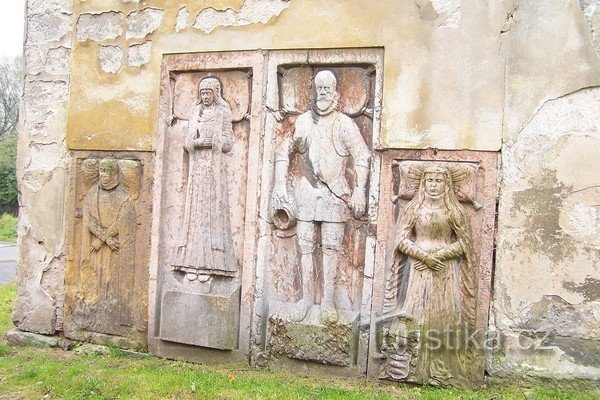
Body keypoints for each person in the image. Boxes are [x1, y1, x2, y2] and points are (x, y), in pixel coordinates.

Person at [271, 70, 371, 323]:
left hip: (335, 194)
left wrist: (359, 189)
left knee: (330, 247)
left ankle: (327, 302)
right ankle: (306, 299)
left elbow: (362, 156)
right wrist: (279, 186)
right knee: (305, 246)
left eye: (327, 88)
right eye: (319, 88)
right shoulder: (303, 122)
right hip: (306, 192)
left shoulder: (344, 124)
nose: (323, 92)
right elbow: (284, 151)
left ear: (335, 92)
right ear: (314, 91)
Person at [382, 165, 476, 386]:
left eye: (438, 181)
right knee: (415, 314)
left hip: (445, 271)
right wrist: (424, 257)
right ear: (423, 184)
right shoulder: (414, 209)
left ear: (447, 184)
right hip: (418, 269)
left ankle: (440, 370)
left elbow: (465, 243)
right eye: (430, 181)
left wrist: (440, 255)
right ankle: (412, 368)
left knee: (444, 315)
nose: (434, 185)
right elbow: (401, 240)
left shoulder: (454, 211)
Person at [172, 76, 237, 284]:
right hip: (197, 169)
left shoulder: (223, 112)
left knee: (212, 214)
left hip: (214, 170)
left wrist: (215, 142)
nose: (206, 97)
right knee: (194, 215)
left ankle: (210, 265)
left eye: (209, 93)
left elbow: (229, 141)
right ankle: (191, 262)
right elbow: (186, 140)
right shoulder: (195, 112)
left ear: (216, 93)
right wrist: (197, 142)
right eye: (203, 93)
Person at [80, 157, 136, 332]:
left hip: (117, 247)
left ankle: (117, 319)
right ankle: (93, 316)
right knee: (95, 279)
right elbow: (88, 219)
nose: (103, 175)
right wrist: (103, 239)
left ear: (114, 173)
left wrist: (104, 239)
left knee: (114, 281)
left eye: (107, 172)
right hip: (99, 247)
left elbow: (123, 220)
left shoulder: (123, 195)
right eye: (101, 171)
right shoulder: (92, 193)